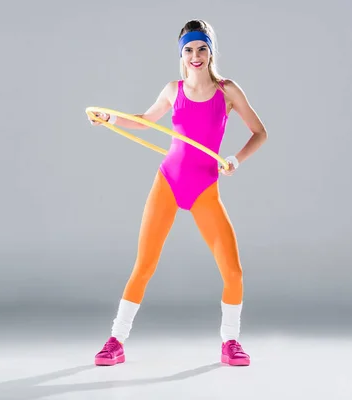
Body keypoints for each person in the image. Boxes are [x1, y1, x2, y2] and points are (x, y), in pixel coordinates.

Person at [88, 19, 267, 367]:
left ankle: (230, 342)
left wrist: (235, 159)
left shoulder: (228, 91)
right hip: (169, 182)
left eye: (202, 48)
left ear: (211, 51)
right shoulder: (173, 90)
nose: (195, 56)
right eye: (188, 50)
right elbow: (142, 121)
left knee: (233, 271)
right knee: (144, 265)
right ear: (181, 54)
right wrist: (109, 118)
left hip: (205, 188)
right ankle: (115, 341)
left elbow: (260, 132)